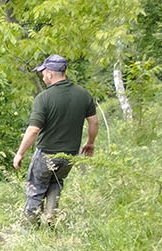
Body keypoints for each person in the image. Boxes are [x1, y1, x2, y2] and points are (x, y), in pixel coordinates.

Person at [12, 54, 99, 227]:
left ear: (50, 73)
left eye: (43, 73)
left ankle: (31, 228)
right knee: (56, 184)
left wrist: (20, 153)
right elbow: (94, 121)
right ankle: (50, 219)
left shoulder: (43, 98)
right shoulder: (83, 94)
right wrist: (90, 142)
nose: (42, 77)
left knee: (35, 189)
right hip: (70, 155)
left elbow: (33, 129)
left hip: (46, 154)